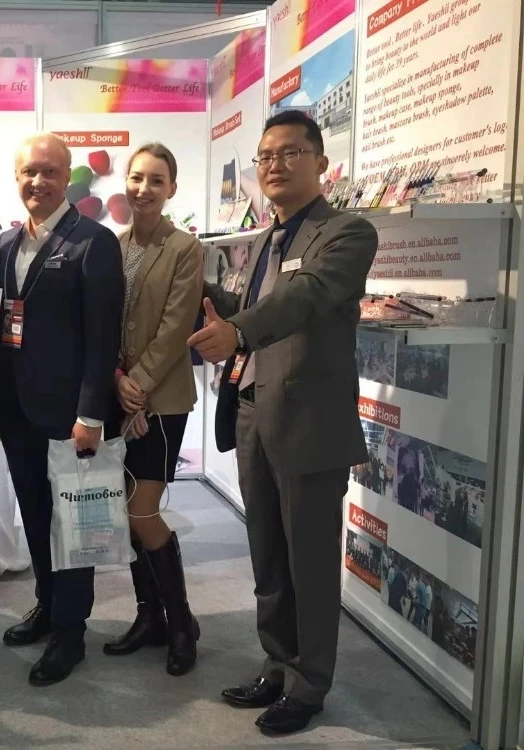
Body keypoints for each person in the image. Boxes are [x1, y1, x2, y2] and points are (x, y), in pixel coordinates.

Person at [188, 110, 378, 734]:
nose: (274, 164)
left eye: (290, 152)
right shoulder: (269, 238)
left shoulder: (346, 233)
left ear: (321, 162)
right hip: (252, 413)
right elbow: (254, 306)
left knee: (309, 565)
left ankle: (308, 685)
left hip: (308, 425)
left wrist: (237, 330)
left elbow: (304, 297)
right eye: (265, 156)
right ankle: (277, 663)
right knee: (268, 558)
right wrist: (201, 290)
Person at [0, 133, 124, 686]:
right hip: (17, 410)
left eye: (50, 171)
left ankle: (70, 633)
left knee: (73, 524)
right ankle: (48, 606)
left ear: (67, 177)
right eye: (29, 171)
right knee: (35, 515)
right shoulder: (5, 243)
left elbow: (103, 336)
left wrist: (91, 414)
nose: (38, 181)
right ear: (16, 176)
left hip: (71, 415)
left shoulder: (95, 242)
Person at [102, 143, 204, 676]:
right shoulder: (113, 246)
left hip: (161, 400)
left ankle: (182, 622)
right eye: (137, 177)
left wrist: (137, 385)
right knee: (126, 514)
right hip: (118, 396)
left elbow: (176, 326)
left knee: (142, 511)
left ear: (171, 189)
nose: (144, 189)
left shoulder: (184, 248)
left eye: (156, 180)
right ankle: (150, 618)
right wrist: (117, 381)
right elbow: (105, 323)